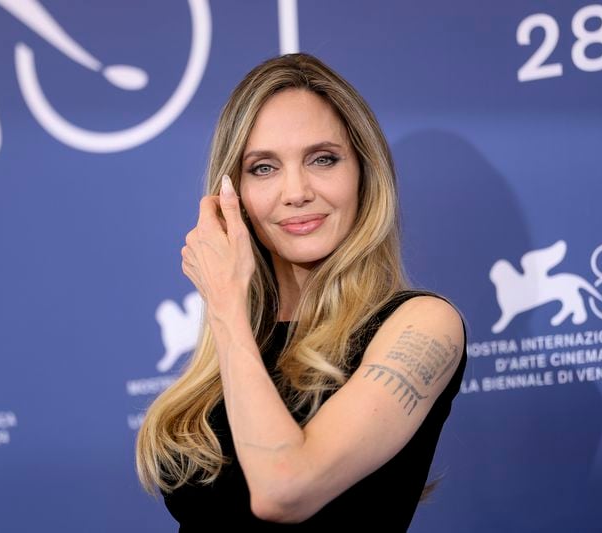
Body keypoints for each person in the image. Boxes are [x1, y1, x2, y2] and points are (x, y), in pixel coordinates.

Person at [135, 52, 467, 531]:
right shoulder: (229, 352)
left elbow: (284, 489)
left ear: (364, 174)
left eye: (323, 159)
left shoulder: (424, 324)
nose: (296, 191)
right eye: (264, 168)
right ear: (233, 194)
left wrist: (225, 301)